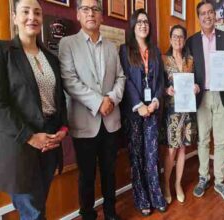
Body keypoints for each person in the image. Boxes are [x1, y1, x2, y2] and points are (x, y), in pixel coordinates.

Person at [0, 0, 68, 219]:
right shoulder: (0, 50)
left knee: (37, 206)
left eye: (37, 12)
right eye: (26, 11)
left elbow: (60, 99)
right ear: (14, 17)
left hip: (49, 142)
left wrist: (63, 130)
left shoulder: (51, 58)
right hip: (20, 143)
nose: (33, 17)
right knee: (33, 211)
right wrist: (30, 136)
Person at [58, 0, 126, 219]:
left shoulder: (111, 47)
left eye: (95, 9)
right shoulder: (67, 44)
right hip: (84, 122)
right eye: (85, 9)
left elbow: (121, 77)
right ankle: (87, 214)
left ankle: (110, 211)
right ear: (78, 14)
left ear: (102, 16)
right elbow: (69, 81)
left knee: (110, 171)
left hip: (111, 120)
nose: (91, 13)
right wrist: (99, 102)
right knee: (86, 175)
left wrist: (111, 99)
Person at [186, 1, 224, 203]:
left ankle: (220, 181)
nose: (207, 16)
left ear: (215, 16)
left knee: (221, 140)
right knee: (203, 140)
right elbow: (182, 66)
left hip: (221, 95)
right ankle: (203, 178)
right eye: (203, 13)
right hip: (201, 96)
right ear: (199, 18)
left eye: (210, 12)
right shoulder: (191, 41)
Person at [119, 9, 166, 216]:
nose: (143, 24)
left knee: (152, 155)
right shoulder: (124, 50)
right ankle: (141, 197)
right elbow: (125, 80)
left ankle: (156, 195)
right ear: (132, 26)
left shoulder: (155, 51)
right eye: (139, 22)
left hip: (153, 110)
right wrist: (139, 105)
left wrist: (155, 101)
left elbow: (161, 80)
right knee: (137, 156)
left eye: (146, 21)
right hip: (134, 112)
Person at [162, 25, 200, 204]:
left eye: (181, 37)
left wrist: (196, 87)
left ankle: (177, 184)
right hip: (172, 112)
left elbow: (196, 82)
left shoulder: (190, 60)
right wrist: (165, 89)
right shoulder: (163, 60)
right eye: (175, 36)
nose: (178, 40)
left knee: (183, 148)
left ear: (184, 40)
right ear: (170, 39)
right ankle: (166, 185)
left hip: (187, 110)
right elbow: (157, 86)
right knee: (171, 150)